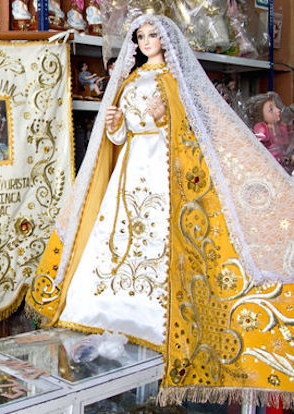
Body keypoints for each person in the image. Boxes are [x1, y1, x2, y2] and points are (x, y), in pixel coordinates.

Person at [27, 14, 293, 406]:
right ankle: (106, 308)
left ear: (166, 40)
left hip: (164, 166)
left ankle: (155, 317)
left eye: (153, 35)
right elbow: (118, 136)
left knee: (158, 233)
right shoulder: (132, 80)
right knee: (117, 231)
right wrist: (117, 124)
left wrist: (163, 118)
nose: (147, 41)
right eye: (141, 36)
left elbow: (192, 132)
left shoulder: (177, 81)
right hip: (131, 165)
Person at [249, 92, 293, 173]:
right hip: (270, 167)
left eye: (276, 106)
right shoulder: (262, 128)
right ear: (260, 115)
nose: (278, 110)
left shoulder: (281, 129)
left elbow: (286, 142)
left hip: (283, 165)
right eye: (271, 109)